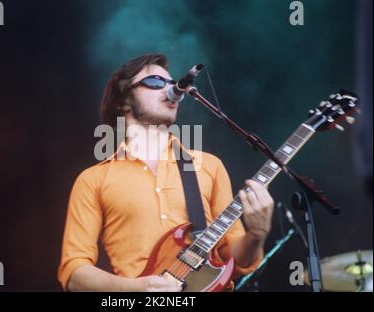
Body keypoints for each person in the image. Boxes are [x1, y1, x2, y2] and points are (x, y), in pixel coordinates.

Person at [58, 53, 274, 292]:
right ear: (123, 102)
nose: (172, 90)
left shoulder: (209, 166)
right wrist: (135, 289)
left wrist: (256, 234)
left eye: (172, 83)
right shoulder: (93, 180)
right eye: (155, 83)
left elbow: (234, 258)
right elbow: (74, 273)